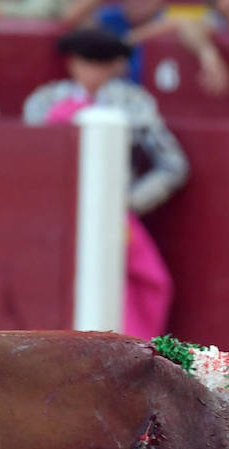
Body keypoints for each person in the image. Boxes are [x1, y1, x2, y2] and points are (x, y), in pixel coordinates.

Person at [24, 28, 187, 338]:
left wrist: (126, 203)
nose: (91, 70)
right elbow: (32, 164)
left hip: (113, 217)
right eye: (86, 61)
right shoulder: (43, 102)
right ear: (72, 63)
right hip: (50, 217)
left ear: (117, 66)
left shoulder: (134, 103)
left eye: (101, 62)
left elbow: (174, 165)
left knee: (149, 283)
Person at [58, 0, 229, 96]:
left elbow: (193, 24)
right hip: (99, 101)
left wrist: (209, 57)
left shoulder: (168, 17)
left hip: (143, 108)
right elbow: (70, 19)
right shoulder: (108, 18)